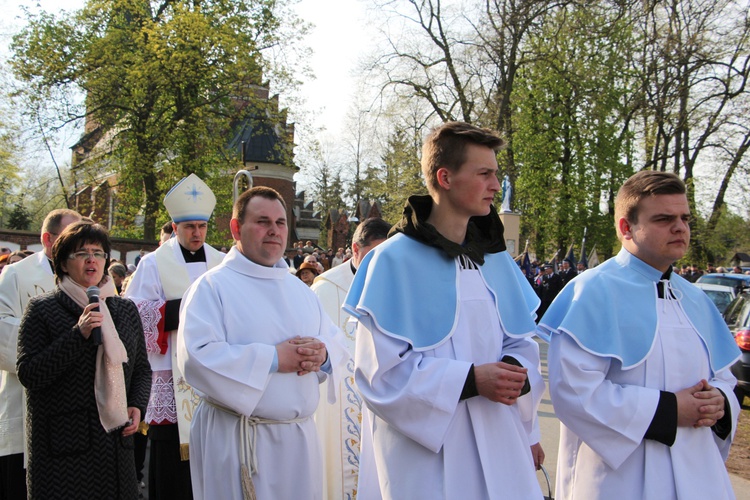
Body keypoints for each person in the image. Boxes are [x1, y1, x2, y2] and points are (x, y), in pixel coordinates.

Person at [343, 122, 545, 499]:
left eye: (496, 174)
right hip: (427, 460)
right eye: (484, 174)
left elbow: (522, 344)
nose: (496, 186)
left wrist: (514, 375)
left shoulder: (495, 261)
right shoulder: (392, 262)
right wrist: (470, 381)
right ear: (445, 177)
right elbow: (379, 377)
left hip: (501, 442)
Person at [539, 170, 741, 500]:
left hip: (699, 474)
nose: (680, 227)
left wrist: (719, 402)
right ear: (626, 228)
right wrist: (670, 411)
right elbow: (573, 392)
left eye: (685, 218)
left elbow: (725, 379)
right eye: (664, 218)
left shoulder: (696, 298)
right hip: (620, 479)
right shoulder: (592, 291)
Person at [176, 186, 349, 499]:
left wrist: (322, 354)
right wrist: (273, 359)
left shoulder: (301, 292)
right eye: (262, 221)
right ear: (235, 228)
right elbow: (196, 358)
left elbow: (336, 341)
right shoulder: (212, 287)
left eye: (280, 223)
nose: (274, 231)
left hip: (299, 441)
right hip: (239, 440)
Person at [16, 221, 151, 499]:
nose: (91, 260)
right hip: (65, 453)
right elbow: (30, 373)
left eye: (98, 253)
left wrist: (137, 404)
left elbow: (140, 369)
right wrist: (79, 334)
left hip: (116, 448)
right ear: (63, 264)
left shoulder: (124, 309)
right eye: (81, 253)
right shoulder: (42, 309)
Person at [125, 173, 225, 500]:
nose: (197, 233)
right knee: (171, 466)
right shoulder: (153, 264)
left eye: (202, 226)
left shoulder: (222, 263)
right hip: (171, 376)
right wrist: (186, 309)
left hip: (213, 374)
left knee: (213, 452)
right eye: (189, 227)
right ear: (175, 225)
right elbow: (135, 312)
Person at [0, 208, 81, 500]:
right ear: (48, 239)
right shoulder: (18, 274)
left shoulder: (88, 276)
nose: (79, 247)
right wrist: (61, 349)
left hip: (76, 411)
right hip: (27, 402)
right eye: (70, 238)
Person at [311, 217, 390, 500]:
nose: (382, 266)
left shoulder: (396, 286)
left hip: (384, 406)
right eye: (374, 257)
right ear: (355, 250)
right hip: (338, 409)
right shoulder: (325, 289)